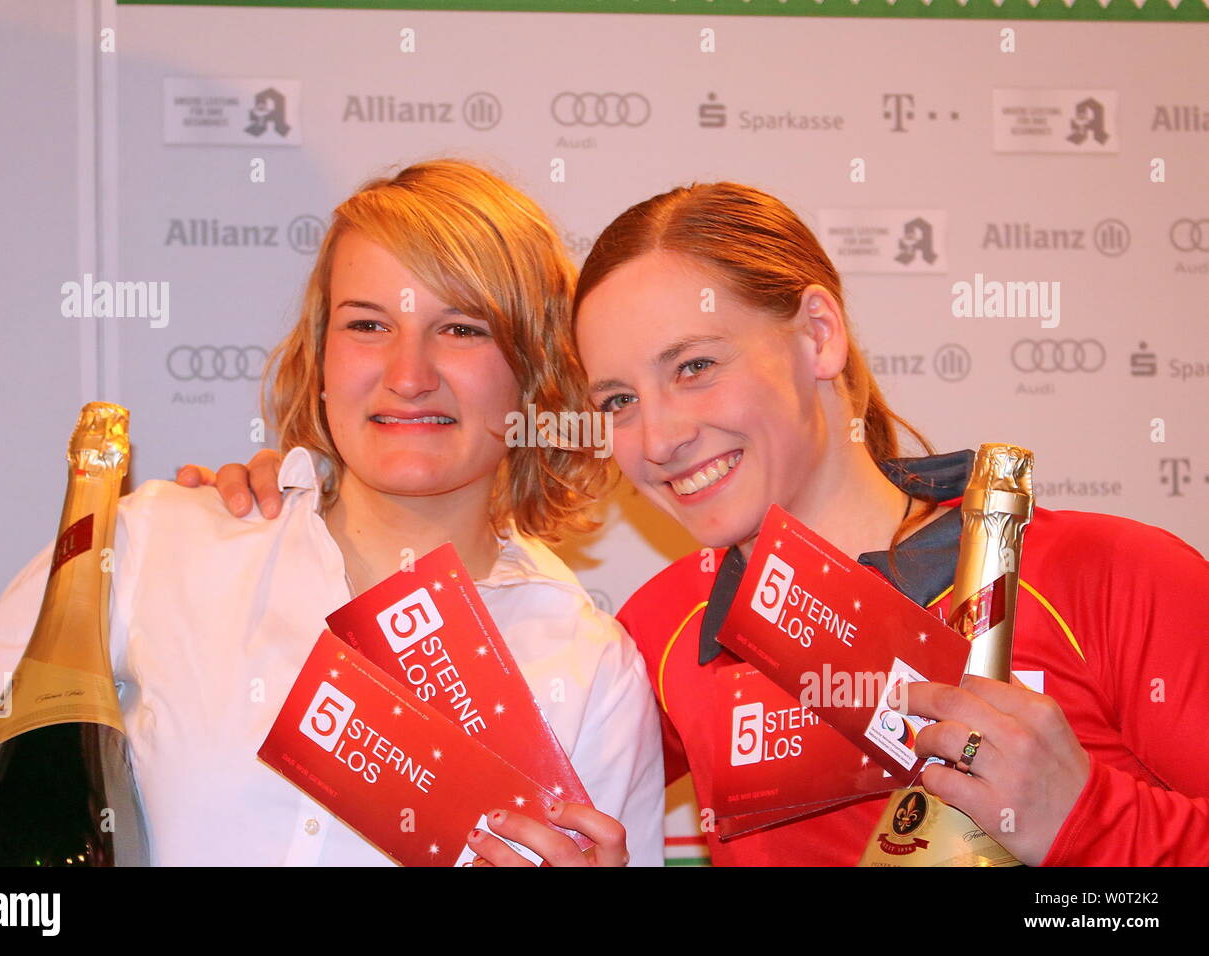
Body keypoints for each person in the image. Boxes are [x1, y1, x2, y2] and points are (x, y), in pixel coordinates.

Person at [206, 180, 1209, 867]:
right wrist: (295, 507)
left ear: (818, 334)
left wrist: (1087, 825)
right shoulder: (653, 635)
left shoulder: (1108, 576)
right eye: (615, 400)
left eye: (694, 365)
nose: (662, 435)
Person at [0, 159, 665, 867]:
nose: (408, 376)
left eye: (462, 328)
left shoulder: (588, 665)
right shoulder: (161, 542)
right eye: (367, 325)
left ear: (535, 367)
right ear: (321, 356)